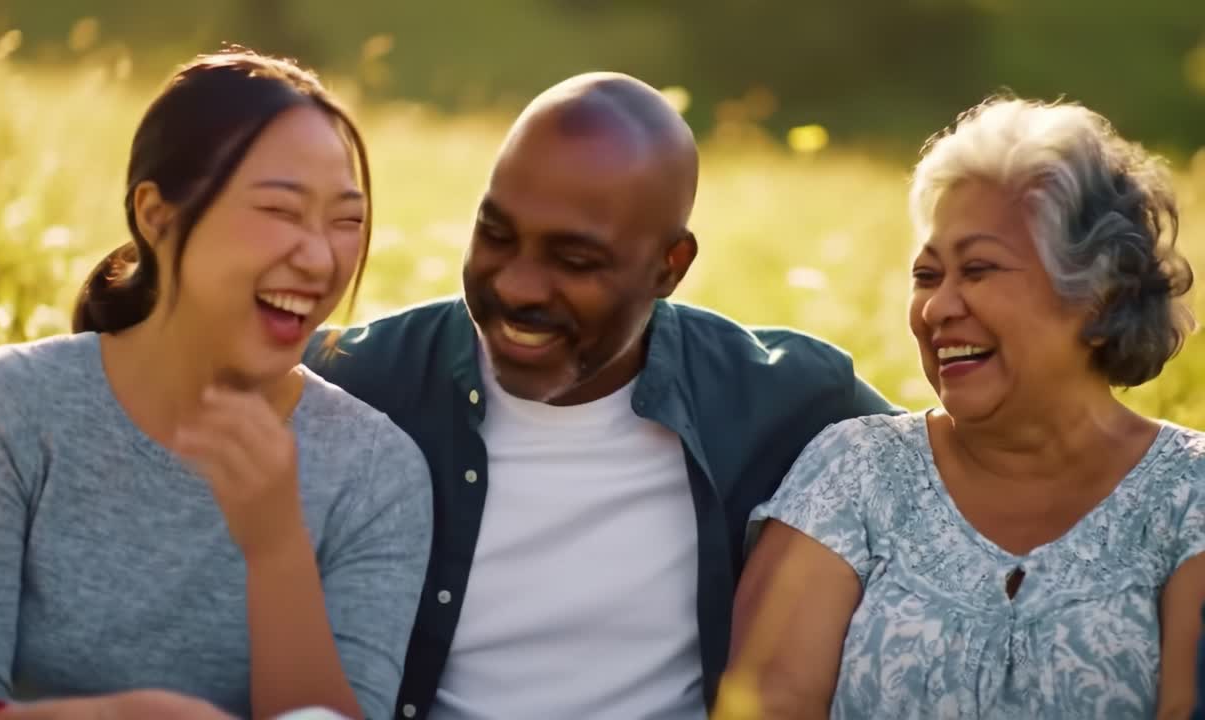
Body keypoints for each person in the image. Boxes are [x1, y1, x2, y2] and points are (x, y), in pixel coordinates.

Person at [303, 71, 897, 720]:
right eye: (496, 237)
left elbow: (968, 472)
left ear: (669, 267)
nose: (521, 287)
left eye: (575, 261)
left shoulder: (784, 400)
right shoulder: (357, 383)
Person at [0, 49, 432, 720]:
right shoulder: (6, 410)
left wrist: (276, 545)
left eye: (346, 221)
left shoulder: (377, 474)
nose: (318, 258)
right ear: (157, 216)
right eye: (281, 211)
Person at [730, 96, 1205, 718]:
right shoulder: (853, 472)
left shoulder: (1189, 494)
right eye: (927, 276)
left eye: (978, 270)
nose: (937, 308)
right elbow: (765, 705)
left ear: (1097, 295)